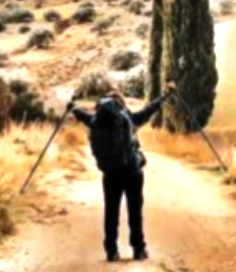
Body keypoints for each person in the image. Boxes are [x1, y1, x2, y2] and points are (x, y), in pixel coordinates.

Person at [67, 83, 176, 262]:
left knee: (111, 211)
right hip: (132, 172)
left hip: (110, 173)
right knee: (135, 211)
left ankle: (111, 250)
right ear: (122, 105)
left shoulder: (96, 120)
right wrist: (166, 95)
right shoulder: (130, 119)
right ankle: (138, 249)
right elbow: (151, 109)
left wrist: (73, 108)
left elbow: (81, 115)